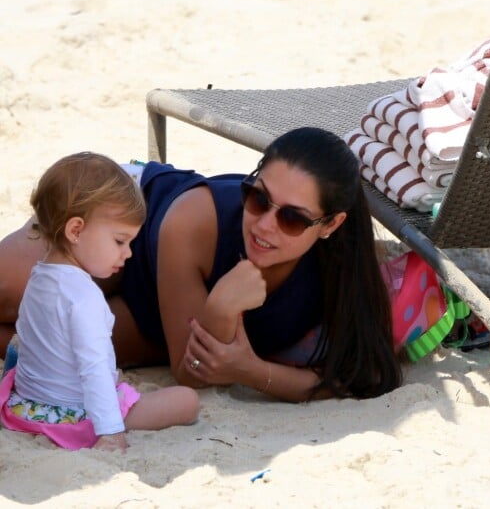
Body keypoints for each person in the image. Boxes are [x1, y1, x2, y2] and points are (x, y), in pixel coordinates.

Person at [0, 128, 402, 403]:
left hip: (164, 317)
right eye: (259, 198)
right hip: (127, 219)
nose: (263, 225)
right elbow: (196, 369)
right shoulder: (198, 219)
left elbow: (363, 374)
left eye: (292, 218)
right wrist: (221, 307)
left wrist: (250, 370)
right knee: (8, 293)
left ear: (330, 224)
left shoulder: (340, 268)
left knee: (55, 346)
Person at [0, 153, 199, 451]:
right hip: (73, 415)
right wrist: (110, 430)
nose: (128, 253)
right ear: (76, 230)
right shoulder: (84, 296)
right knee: (187, 401)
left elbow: (30, 343)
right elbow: (92, 367)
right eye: (120, 241)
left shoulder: (39, 276)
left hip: (25, 407)